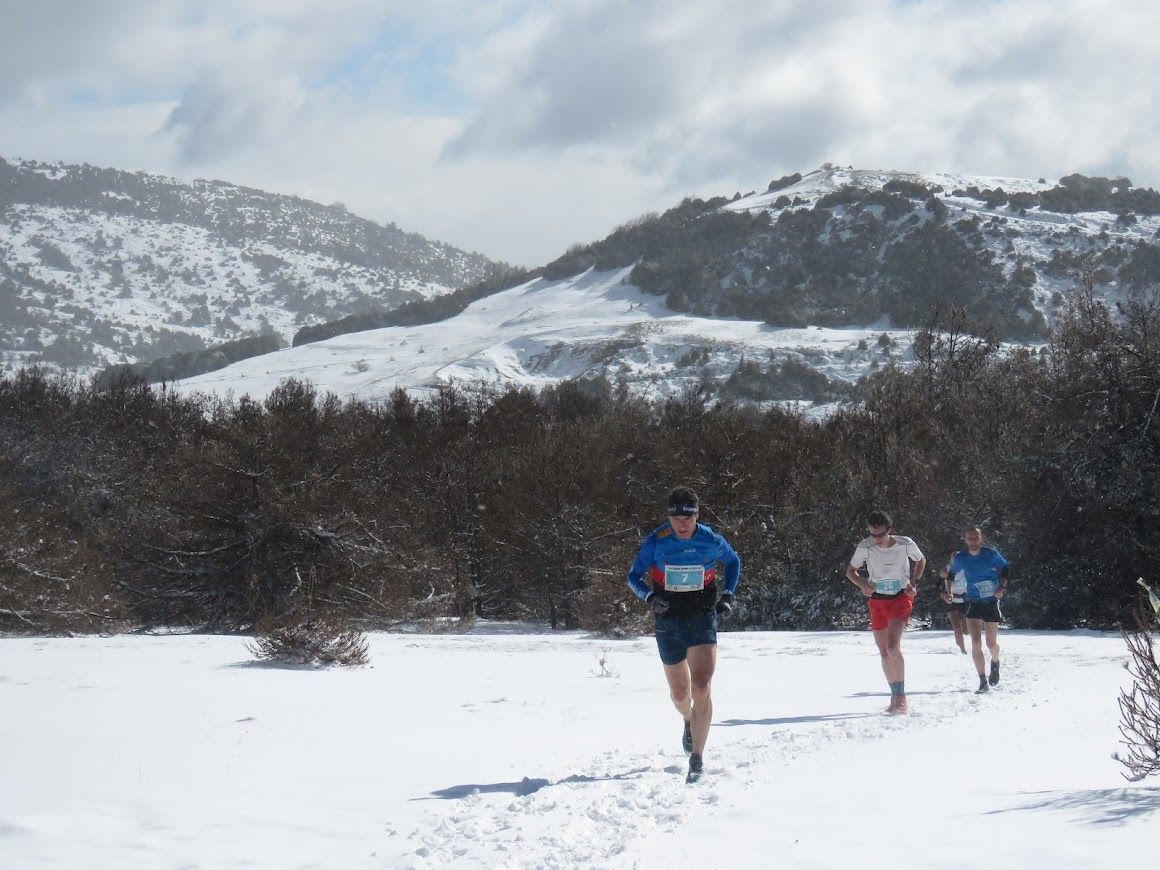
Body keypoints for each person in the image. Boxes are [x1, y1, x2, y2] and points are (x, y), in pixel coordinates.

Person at [627, 486, 741, 783]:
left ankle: (697, 759)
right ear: (669, 517)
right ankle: (688, 718)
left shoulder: (710, 540)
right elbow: (633, 576)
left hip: (701, 616)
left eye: (687, 519)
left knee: (701, 687)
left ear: (696, 516)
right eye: (676, 518)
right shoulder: (656, 541)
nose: (681, 525)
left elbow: (733, 562)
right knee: (680, 695)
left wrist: (727, 595)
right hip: (669, 619)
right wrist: (650, 597)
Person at [845, 510, 926, 714]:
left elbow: (921, 560)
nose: (877, 539)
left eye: (881, 534)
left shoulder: (905, 543)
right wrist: (863, 584)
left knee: (892, 647)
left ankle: (901, 697)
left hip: (900, 598)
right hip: (877, 600)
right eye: (873, 535)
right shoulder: (865, 547)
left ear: (889, 529)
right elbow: (850, 571)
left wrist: (914, 583)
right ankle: (893, 695)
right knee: (883, 652)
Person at [948, 526, 1009, 693]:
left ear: (981, 539)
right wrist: (948, 592)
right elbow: (951, 575)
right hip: (973, 601)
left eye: (976, 538)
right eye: (970, 538)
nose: (973, 541)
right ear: (965, 540)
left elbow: (1005, 568)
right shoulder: (961, 558)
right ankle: (982, 681)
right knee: (975, 641)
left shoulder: (991, 554)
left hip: (991, 601)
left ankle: (995, 661)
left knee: (990, 643)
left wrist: (1002, 587)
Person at [937, 556, 969, 653]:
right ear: (951, 560)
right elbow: (937, 584)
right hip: (951, 601)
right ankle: (963, 650)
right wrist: (943, 594)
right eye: (954, 559)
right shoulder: (945, 570)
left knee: (966, 630)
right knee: (957, 627)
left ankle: (961, 638)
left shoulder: (967, 568)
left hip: (964, 600)